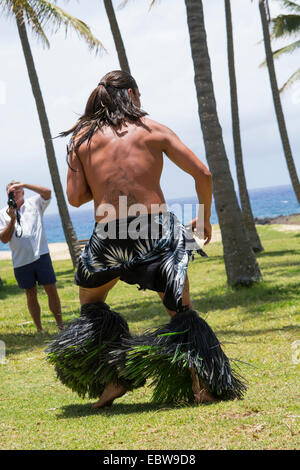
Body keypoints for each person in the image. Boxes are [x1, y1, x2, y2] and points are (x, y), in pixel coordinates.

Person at [47, 71, 246, 408]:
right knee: (181, 313)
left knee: (92, 308)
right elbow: (204, 174)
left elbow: (75, 198)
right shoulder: (153, 129)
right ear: (133, 94)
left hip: (110, 233)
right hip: (155, 231)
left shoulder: (81, 139)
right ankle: (202, 387)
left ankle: (112, 382)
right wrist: (204, 217)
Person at [0, 182, 64, 332]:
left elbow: (47, 192)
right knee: (30, 294)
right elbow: (3, 239)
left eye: (17, 191)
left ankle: (61, 325)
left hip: (41, 255)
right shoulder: (4, 213)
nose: (14, 194)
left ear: (23, 192)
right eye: (11, 192)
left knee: (51, 289)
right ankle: (39, 329)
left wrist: (23, 184)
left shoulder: (35, 203)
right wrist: (12, 219)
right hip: (21, 261)